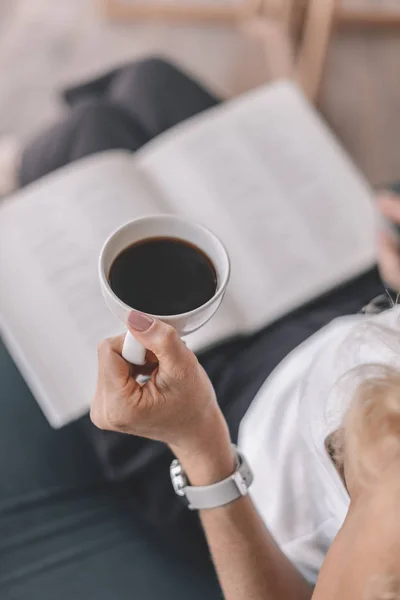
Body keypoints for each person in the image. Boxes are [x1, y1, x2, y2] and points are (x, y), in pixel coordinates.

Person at [2, 57, 400, 599]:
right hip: (358, 317)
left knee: (88, 140)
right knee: (152, 79)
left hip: (243, 438)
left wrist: (199, 441)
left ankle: (26, 170)